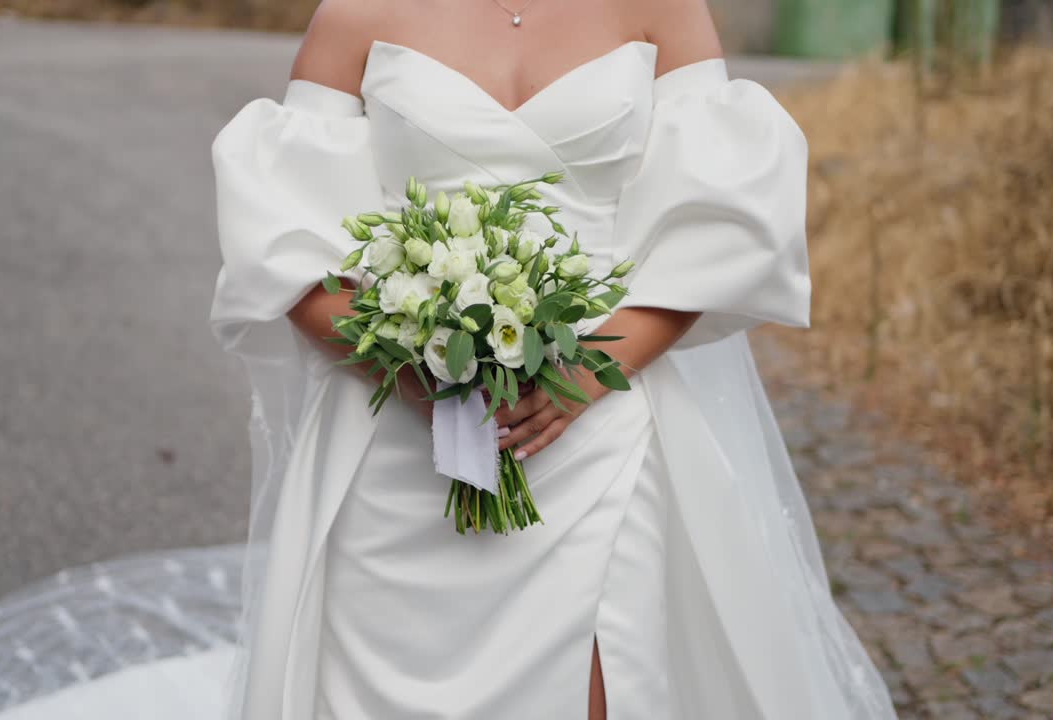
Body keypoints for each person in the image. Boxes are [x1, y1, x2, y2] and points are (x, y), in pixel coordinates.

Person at [209, 0, 899, 718]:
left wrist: (583, 375)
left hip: (600, 431)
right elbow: (287, 246)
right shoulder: (357, 13)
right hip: (397, 449)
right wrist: (413, 369)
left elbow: (715, 224)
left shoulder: (663, 8)